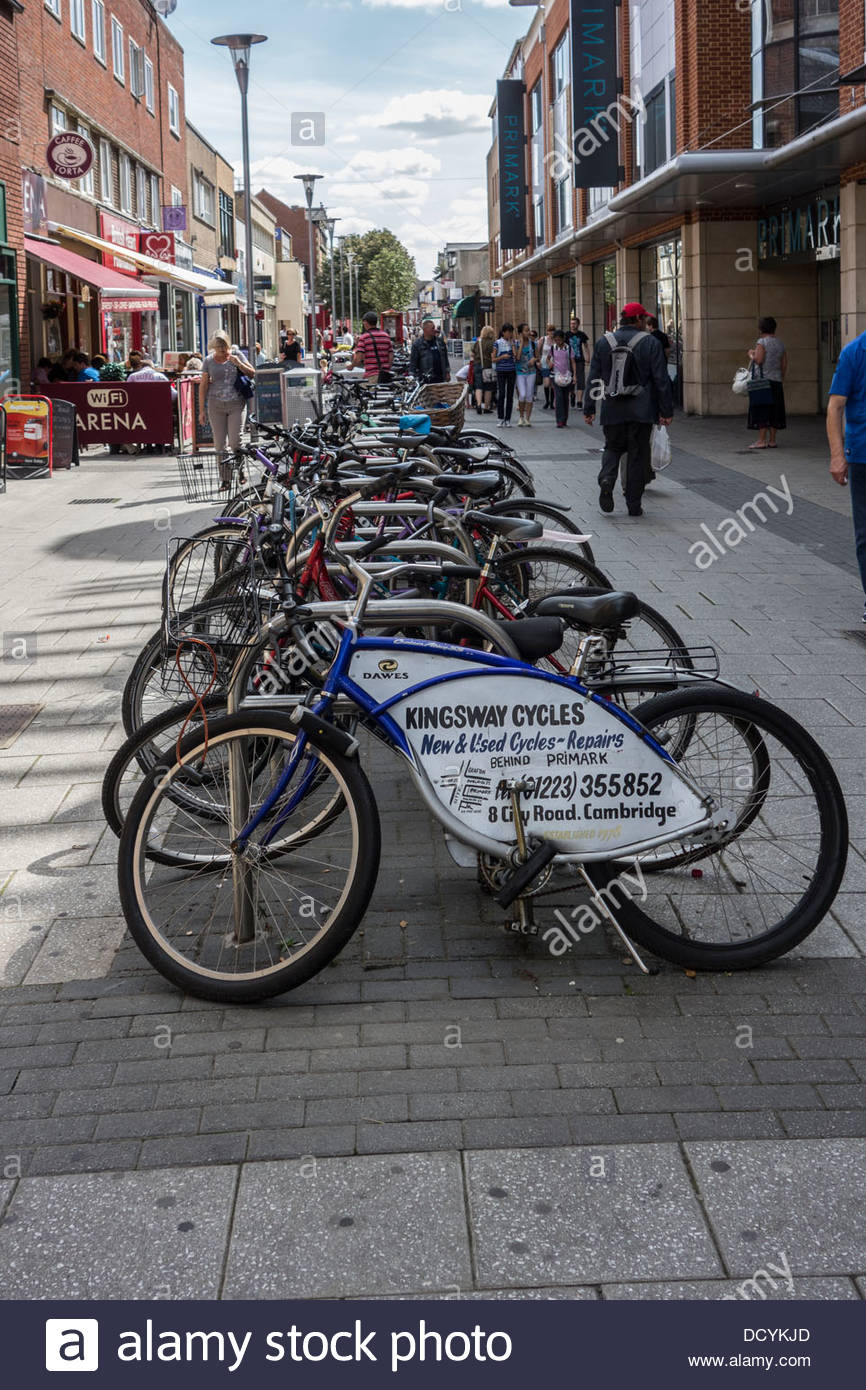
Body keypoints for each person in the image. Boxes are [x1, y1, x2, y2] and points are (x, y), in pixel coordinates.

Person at [585, 301, 673, 517]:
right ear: (637, 320)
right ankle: (634, 504)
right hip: (641, 411)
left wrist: (589, 408)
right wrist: (666, 411)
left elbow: (593, 377)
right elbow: (661, 379)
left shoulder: (603, 342)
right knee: (637, 455)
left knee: (613, 448)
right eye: (644, 318)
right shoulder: (650, 343)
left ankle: (607, 478)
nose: (646, 322)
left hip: (612, 408)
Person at [827, 327, 866, 623]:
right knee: (865, 533)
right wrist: (838, 455)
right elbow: (835, 406)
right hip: (863, 456)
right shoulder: (854, 352)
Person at [199, 330, 256, 486]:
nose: (223, 351)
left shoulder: (236, 355)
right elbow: (203, 385)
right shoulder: (208, 361)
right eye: (219, 348)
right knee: (219, 445)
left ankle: (240, 469)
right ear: (213, 348)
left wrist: (239, 363)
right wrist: (201, 410)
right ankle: (225, 479)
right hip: (215, 405)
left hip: (236, 403)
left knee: (235, 442)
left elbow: (252, 373)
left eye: (224, 347)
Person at [747, 315, 787, 450]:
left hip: (763, 381)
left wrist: (751, 354)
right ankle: (772, 440)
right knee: (775, 410)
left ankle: (761, 441)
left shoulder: (762, 342)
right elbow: (784, 363)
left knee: (762, 409)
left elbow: (759, 360)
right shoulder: (780, 343)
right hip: (776, 380)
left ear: (761, 328)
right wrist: (781, 376)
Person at [353, 311, 394, 380]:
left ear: (366, 322)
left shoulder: (364, 337)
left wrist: (351, 366)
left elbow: (358, 359)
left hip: (371, 375)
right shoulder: (386, 336)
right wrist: (386, 368)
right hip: (385, 376)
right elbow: (391, 356)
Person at [410, 317, 450, 382]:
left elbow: (445, 358)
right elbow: (413, 363)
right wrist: (412, 376)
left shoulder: (440, 342)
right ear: (425, 330)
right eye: (432, 328)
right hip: (426, 379)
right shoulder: (417, 344)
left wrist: (447, 372)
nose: (435, 330)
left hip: (441, 378)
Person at [550, 329, 576, 428]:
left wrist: (575, 375)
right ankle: (559, 420)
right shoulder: (553, 348)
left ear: (563, 339)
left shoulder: (569, 348)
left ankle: (564, 418)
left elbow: (573, 362)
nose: (558, 342)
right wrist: (549, 364)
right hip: (556, 376)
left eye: (559, 340)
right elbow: (548, 358)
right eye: (556, 340)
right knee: (559, 397)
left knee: (565, 397)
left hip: (567, 376)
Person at [514, 323, 538, 427]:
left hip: (531, 372)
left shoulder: (534, 344)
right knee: (522, 394)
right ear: (520, 333)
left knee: (529, 396)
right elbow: (517, 358)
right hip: (520, 372)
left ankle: (528, 419)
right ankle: (521, 417)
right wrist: (521, 342)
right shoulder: (516, 344)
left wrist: (534, 359)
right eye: (526, 331)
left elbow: (538, 356)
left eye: (529, 330)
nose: (528, 332)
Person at [493, 322, 516, 427]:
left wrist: (513, 345)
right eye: (508, 332)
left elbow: (516, 356)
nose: (510, 334)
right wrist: (502, 357)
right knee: (502, 394)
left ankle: (508, 419)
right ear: (503, 332)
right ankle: (500, 417)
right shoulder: (497, 343)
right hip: (501, 370)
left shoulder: (513, 342)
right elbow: (493, 359)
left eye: (511, 332)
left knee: (510, 395)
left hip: (511, 370)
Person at [473, 325, 496, 414]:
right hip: (487, 366)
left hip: (477, 365)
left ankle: (478, 404)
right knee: (488, 387)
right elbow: (494, 355)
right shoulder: (492, 343)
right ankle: (486, 407)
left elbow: (473, 352)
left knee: (478, 386)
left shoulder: (478, 342)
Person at [568, 317, 589, 409]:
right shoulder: (566, 335)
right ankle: (572, 395)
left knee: (580, 380)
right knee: (570, 381)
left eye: (574, 323)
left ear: (578, 324)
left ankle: (579, 401)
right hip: (568, 361)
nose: (573, 325)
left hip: (580, 360)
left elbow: (586, 346)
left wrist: (588, 356)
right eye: (571, 323)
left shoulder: (582, 335)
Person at [539, 323, 556, 410]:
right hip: (544, 362)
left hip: (554, 363)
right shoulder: (543, 339)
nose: (551, 333)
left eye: (553, 331)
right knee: (546, 383)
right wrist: (538, 361)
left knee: (552, 384)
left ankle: (552, 403)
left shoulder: (556, 340)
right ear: (547, 331)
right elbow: (537, 351)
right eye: (550, 331)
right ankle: (547, 401)